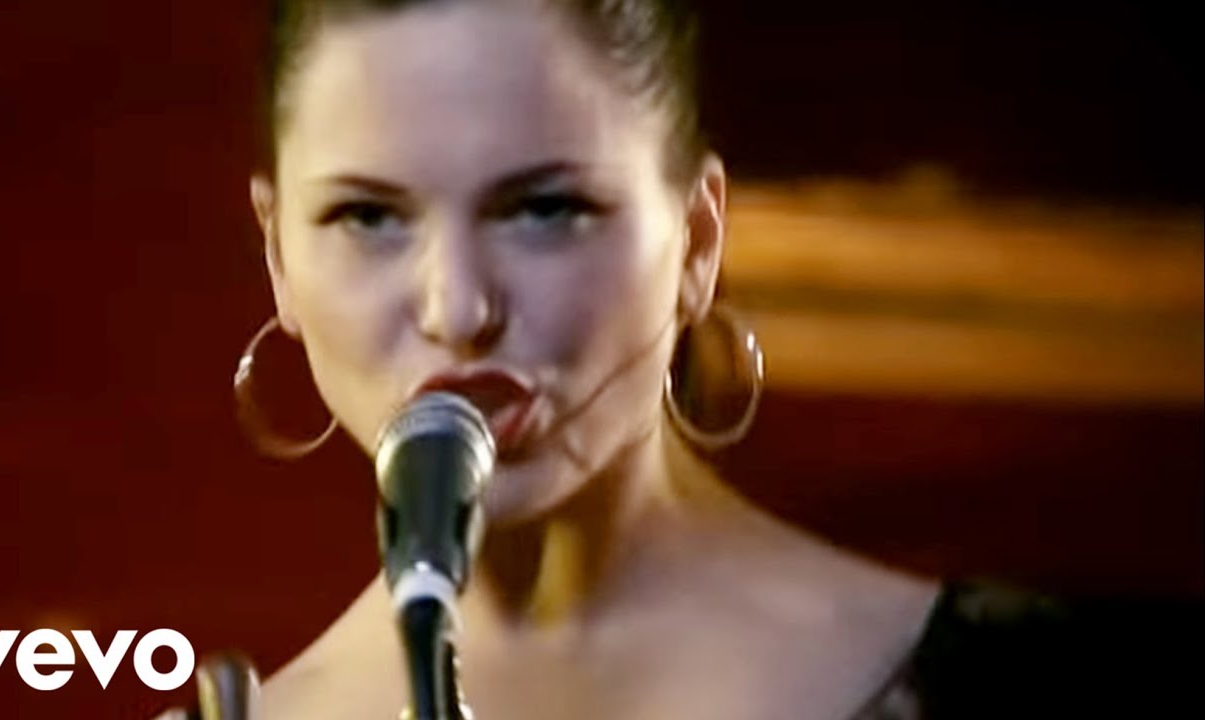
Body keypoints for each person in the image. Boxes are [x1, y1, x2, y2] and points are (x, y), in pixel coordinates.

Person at [173, 1, 1199, 718]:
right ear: (277, 257)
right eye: (367, 218)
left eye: (544, 209)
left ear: (699, 240)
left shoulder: (1041, 681)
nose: (459, 309)